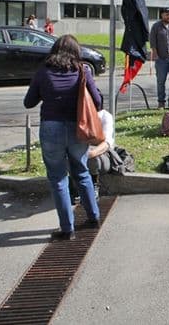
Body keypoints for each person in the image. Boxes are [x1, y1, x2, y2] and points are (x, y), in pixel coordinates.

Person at [23, 35, 102, 240]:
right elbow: (97, 102)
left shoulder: (43, 71)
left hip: (51, 128)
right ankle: (93, 218)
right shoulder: (83, 70)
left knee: (58, 178)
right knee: (82, 171)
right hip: (78, 128)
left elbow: (29, 102)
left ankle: (67, 229)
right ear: (77, 51)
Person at [149, 8, 169, 110]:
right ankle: (161, 102)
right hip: (161, 59)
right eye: (167, 14)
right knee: (161, 81)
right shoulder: (156, 26)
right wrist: (156, 55)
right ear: (162, 15)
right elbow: (152, 42)